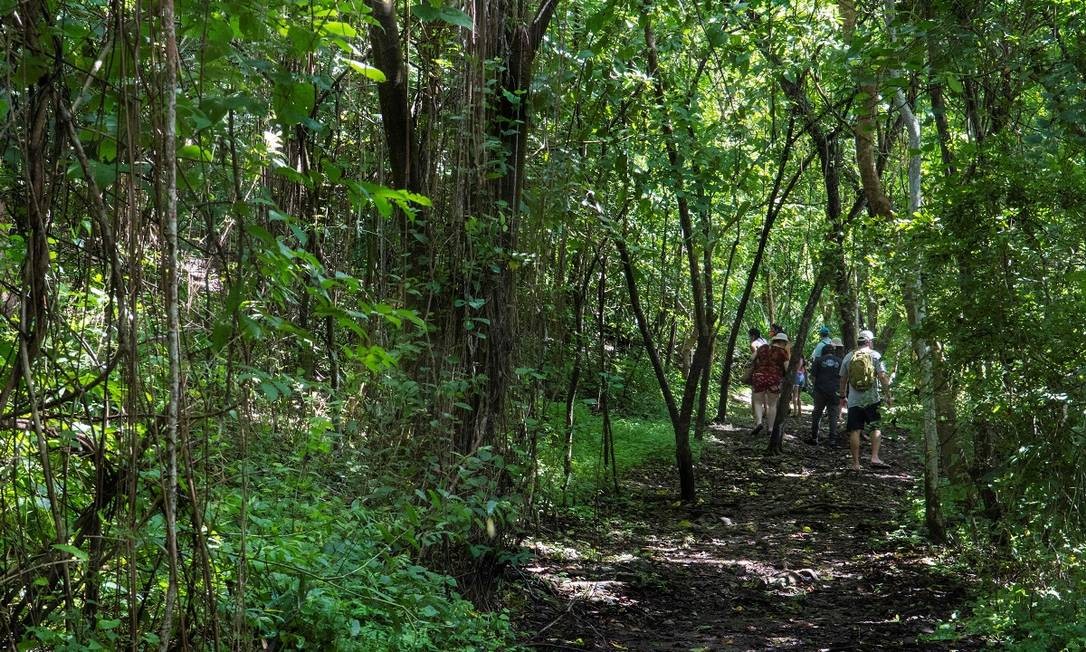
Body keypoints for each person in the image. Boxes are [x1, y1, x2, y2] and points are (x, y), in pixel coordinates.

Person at [838, 330, 893, 470]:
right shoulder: (875, 355)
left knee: (854, 430)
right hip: (872, 399)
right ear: (868, 342)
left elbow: (843, 379)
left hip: (854, 401)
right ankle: (874, 457)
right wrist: (888, 395)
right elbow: (882, 377)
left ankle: (856, 463)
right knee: (875, 427)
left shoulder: (849, 356)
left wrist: (842, 396)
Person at [750, 332, 790, 436]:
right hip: (774, 378)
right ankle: (771, 429)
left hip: (759, 376)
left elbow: (752, 358)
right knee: (772, 404)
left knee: (758, 402)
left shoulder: (763, 347)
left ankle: (759, 423)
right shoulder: (783, 353)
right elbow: (787, 368)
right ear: (783, 342)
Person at [806, 338, 843, 446]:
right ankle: (832, 439)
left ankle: (814, 437)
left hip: (820, 391)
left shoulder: (818, 360)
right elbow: (842, 378)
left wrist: (815, 387)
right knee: (833, 415)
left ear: (823, 351)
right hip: (834, 391)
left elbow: (813, 377)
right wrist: (841, 392)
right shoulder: (840, 361)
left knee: (817, 414)